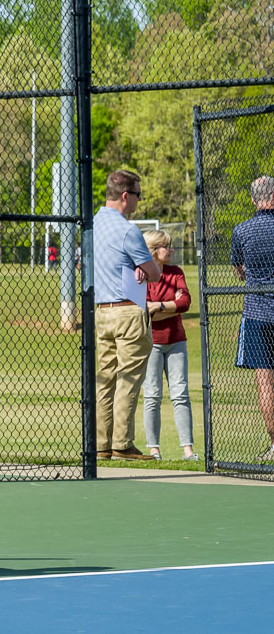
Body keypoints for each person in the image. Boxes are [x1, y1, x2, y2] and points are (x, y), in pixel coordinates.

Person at [92, 170, 161, 460]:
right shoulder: (128, 230)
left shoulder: (91, 223)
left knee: (104, 379)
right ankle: (122, 443)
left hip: (101, 312)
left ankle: (100, 445)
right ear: (125, 196)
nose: (138, 201)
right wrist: (144, 267)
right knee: (129, 379)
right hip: (128, 312)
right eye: (137, 195)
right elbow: (154, 274)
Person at [141, 229, 196, 460]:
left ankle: (188, 450)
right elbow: (141, 310)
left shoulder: (176, 273)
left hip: (176, 342)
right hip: (151, 343)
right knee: (152, 396)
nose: (171, 250)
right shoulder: (140, 275)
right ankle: (154, 450)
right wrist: (166, 306)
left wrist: (161, 307)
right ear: (154, 251)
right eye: (167, 246)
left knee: (181, 394)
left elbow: (185, 302)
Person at [232, 175, 274, 461]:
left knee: (265, 382)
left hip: (257, 312)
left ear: (253, 199)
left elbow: (239, 270)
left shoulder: (242, 230)